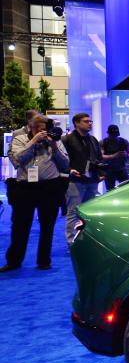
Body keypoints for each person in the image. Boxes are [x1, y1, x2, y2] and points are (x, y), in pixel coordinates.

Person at [1, 115, 70, 272]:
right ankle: (13, 261)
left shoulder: (55, 140)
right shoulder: (20, 139)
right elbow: (17, 160)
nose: (43, 131)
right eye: (40, 127)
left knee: (48, 226)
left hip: (49, 187)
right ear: (31, 127)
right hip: (25, 188)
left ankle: (44, 260)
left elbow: (65, 164)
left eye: (45, 128)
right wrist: (33, 142)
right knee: (20, 226)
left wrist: (54, 145)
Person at [63, 113, 103, 244]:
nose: (90, 123)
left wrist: (101, 173)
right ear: (76, 123)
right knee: (73, 213)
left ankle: (85, 241)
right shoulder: (67, 140)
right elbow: (61, 160)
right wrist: (69, 171)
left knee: (88, 213)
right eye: (86, 121)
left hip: (92, 180)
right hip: (76, 181)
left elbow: (98, 158)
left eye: (90, 121)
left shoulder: (93, 140)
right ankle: (71, 243)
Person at [101, 124, 129, 191]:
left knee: (127, 189)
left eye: (115, 135)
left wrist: (126, 155)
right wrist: (114, 155)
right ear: (108, 133)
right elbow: (101, 157)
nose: (114, 137)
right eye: (112, 135)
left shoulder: (124, 141)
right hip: (109, 170)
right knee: (110, 191)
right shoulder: (103, 142)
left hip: (121, 169)